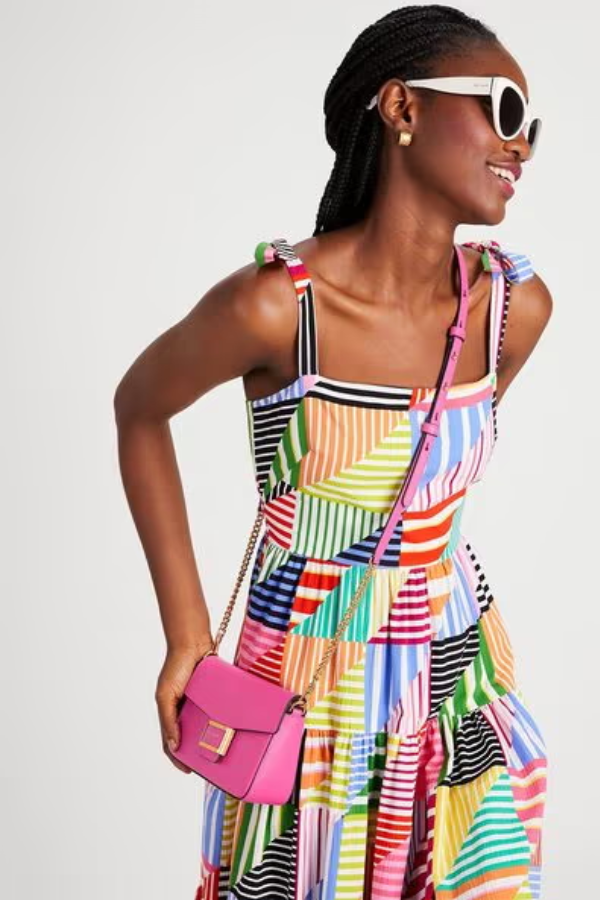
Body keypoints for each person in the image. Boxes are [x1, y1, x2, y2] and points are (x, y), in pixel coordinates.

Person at [114, 4, 553, 898]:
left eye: (532, 127)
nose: (521, 145)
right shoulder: (277, 307)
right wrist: (187, 635)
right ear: (402, 107)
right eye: (503, 109)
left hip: (457, 676)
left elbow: (425, 485)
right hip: (307, 674)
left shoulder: (513, 309)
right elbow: (139, 409)